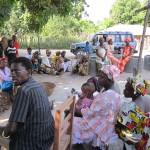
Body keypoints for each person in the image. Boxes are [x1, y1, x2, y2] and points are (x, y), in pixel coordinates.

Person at [3, 57, 54, 150]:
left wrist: (4, 133)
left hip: (31, 144)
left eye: (17, 71)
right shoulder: (38, 85)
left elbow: (11, 129)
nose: (12, 75)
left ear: (29, 72)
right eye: (12, 71)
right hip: (46, 138)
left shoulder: (24, 90)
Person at [72, 65, 122, 149]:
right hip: (104, 121)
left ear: (109, 79)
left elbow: (91, 113)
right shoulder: (107, 89)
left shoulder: (108, 95)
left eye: (101, 77)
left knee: (71, 123)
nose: (98, 79)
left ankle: (76, 144)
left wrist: (75, 110)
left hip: (101, 127)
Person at [115, 75, 150, 150]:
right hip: (146, 136)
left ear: (134, 92)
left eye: (127, 89)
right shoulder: (147, 99)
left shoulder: (129, 108)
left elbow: (121, 125)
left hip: (135, 140)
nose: (124, 91)